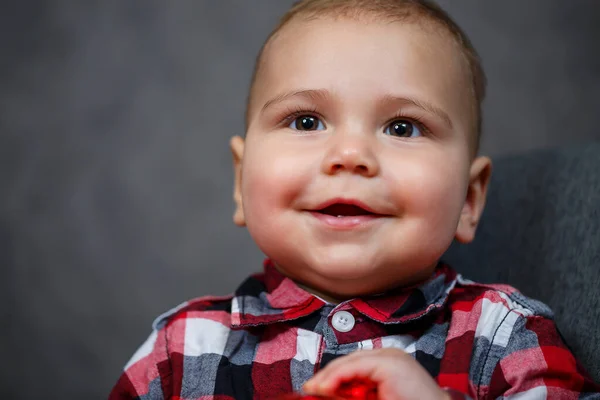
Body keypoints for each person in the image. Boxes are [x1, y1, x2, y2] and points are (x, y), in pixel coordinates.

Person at [109, 0, 600, 399]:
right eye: (306, 121)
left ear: (469, 199)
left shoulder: (504, 340)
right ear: (241, 182)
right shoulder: (181, 351)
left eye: (402, 127)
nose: (350, 155)